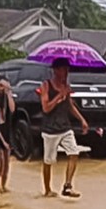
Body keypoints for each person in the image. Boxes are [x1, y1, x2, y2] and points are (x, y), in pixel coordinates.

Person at [38, 58, 91, 198]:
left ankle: (68, 185)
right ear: (55, 70)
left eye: (67, 70)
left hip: (65, 127)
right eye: (63, 69)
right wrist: (59, 96)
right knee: (48, 161)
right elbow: (46, 108)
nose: (66, 73)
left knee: (74, 152)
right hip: (50, 129)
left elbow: (70, 106)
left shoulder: (66, 86)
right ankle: (47, 190)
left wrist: (82, 120)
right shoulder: (46, 86)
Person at [0, 78, 16, 192]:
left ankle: (3, 185)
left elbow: (12, 109)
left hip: (6, 130)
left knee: (6, 162)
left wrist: (9, 92)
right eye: (0, 85)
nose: (2, 88)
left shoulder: (6, 98)